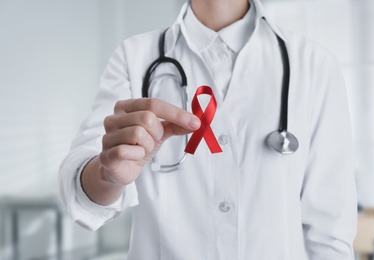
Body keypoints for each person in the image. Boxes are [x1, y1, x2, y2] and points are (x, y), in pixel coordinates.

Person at [59, 0, 357, 259]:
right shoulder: (134, 57)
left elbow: (330, 230)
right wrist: (107, 174)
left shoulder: (314, 64)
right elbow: (78, 187)